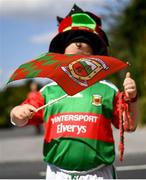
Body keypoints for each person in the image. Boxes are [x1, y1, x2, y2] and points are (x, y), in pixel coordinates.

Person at [10, 4, 138, 179]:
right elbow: (19, 120)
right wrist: (17, 113)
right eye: (72, 52)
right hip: (57, 173)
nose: (78, 45)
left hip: (98, 173)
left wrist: (132, 98)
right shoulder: (49, 91)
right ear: (60, 57)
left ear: (95, 58)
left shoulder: (108, 89)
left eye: (84, 51)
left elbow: (129, 125)